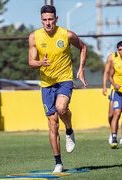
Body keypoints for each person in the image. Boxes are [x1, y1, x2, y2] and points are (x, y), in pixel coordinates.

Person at [28, 5, 87, 172]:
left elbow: (83, 47)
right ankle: (58, 163)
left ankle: (69, 131)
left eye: (50, 20)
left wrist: (81, 69)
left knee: (62, 108)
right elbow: (31, 62)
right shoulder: (34, 37)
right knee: (52, 124)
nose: (48, 23)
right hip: (46, 84)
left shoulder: (67, 35)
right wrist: (40, 63)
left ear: (56, 19)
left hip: (64, 80)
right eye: (45, 20)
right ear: (41, 20)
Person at [102, 39, 122, 145]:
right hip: (115, 90)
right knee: (111, 114)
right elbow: (106, 72)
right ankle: (112, 132)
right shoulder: (112, 57)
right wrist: (104, 86)